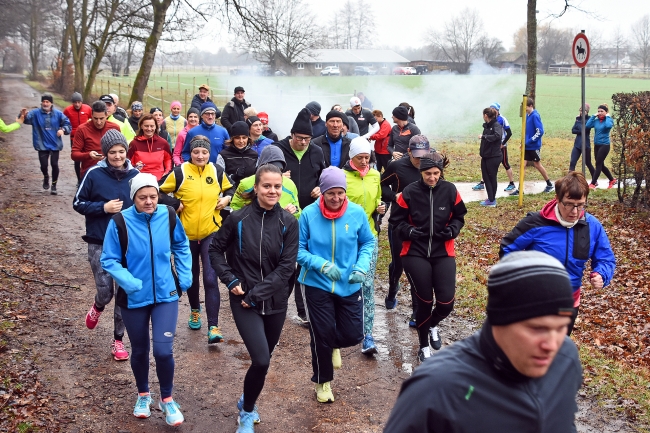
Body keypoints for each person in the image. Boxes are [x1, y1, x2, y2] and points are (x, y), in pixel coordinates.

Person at [384, 251, 582, 433]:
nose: (552, 345)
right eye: (537, 329)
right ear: (500, 318)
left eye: (561, 328)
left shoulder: (565, 359)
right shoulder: (436, 388)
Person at [209, 164, 299, 433]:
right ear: (256, 188)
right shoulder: (237, 219)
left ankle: (246, 399)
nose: (272, 191)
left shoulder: (289, 222)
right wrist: (232, 280)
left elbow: (287, 266)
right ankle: (247, 413)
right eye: (267, 186)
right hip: (243, 299)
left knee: (265, 359)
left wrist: (257, 294)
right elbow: (215, 251)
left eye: (277, 187)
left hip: (275, 300)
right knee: (260, 360)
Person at [101, 173, 191, 426]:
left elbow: (181, 246)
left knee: (163, 351)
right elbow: (109, 259)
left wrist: (184, 276)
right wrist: (129, 282)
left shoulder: (169, 215)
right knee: (140, 350)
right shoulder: (120, 222)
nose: (149, 201)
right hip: (133, 297)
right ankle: (143, 395)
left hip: (166, 294)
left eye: (153, 196)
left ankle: (167, 399)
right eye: (143, 198)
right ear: (134, 198)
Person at [500, 171, 616, 335]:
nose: (575, 211)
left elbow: (606, 258)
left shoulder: (592, 226)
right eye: (568, 204)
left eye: (580, 205)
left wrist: (601, 274)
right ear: (557, 198)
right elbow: (507, 249)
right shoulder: (535, 223)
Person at [297, 166, 375, 403]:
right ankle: (323, 382)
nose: (336, 198)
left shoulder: (357, 213)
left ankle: (334, 343)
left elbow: (368, 242)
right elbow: (297, 250)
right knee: (321, 335)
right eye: (331, 192)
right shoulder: (308, 214)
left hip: (349, 283)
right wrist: (320, 265)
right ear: (322, 191)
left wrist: (361, 266)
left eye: (340, 192)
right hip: (316, 283)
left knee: (354, 334)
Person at [389, 151, 467, 362]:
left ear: (441, 172)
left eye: (435, 173)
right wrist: (410, 231)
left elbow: (460, 216)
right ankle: (423, 346)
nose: (432, 178)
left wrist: (452, 230)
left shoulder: (450, 190)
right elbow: (396, 222)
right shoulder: (410, 192)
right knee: (424, 300)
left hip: (443, 251)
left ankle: (432, 325)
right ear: (421, 173)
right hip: (414, 252)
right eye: (427, 174)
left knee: (446, 302)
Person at [159, 135, 235, 343]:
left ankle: (214, 327)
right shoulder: (180, 172)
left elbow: (231, 188)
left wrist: (227, 197)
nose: (200, 156)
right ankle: (194, 310)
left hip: (211, 232)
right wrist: (174, 203)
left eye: (204, 152)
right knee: (191, 277)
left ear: (209, 153)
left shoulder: (217, 171)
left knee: (211, 278)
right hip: (185, 235)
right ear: (189, 153)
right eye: (196, 152)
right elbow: (157, 191)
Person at [74, 129, 139, 362]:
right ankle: (98, 305)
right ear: (105, 153)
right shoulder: (93, 173)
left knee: (124, 293)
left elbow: (146, 206)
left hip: (127, 245)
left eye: (121, 151)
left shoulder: (135, 175)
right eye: (113, 152)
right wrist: (103, 208)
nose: (118, 156)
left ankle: (118, 340)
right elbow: (78, 202)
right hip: (99, 240)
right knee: (105, 291)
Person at [276, 108, 326, 324]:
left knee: (303, 260)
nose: (304, 142)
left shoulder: (316, 151)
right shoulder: (278, 149)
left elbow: (324, 176)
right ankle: (274, 303)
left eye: (307, 139)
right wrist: (276, 175)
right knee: (282, 262)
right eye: (300, 138)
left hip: (308, 214)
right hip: (281, 215)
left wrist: (320, 188)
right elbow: (260, 174)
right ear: (291, 135)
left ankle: (303, 310)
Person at [381, 135, 431, 324]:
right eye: (417, 156)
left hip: (422, 225)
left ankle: (416, 312)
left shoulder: (431, 166)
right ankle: (393, 288)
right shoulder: (397, 166)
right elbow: (382, 185)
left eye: (424, 155)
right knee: (399, 264)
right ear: (409, 152)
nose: (420, 160)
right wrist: (395, 196)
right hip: (399, 224)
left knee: (417, 268)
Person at [342, 137, 385, 355]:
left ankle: (368, 335)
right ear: (351, 157)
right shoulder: (342, 176)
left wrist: (380, 209)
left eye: (367, 157)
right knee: (345, 281)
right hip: (345, 237)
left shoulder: (375, 175)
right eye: (360, 157)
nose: (365, 161)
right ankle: (342, 327)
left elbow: (377, 200)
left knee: (367, 285)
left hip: (369, 237)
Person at [230, 145, 300, 216]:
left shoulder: (290, 184)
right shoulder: (245, 184)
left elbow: (298, 211)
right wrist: (248, 216)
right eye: (269, 170)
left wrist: (293, 211)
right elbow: (234, 208)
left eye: (278, 170)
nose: (272, 191)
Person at [24, 93, 72, 195]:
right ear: (41, 102)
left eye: (47, 102)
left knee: (54, 164)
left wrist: (63, 130)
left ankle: (54, 185)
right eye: (44, 101)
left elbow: (68, 124)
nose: (45, 104)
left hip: (55, 144)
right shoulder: (35, 113)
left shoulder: (58, 114)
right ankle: (46, 176)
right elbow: (26, 119)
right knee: (43, 165)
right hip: (41, 144)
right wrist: (23, 114)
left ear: (51, 103)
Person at [509, 98, 553, 195]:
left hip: (534, 146)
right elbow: (526, 131)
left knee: (537, 165)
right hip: (527, 146)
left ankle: (549, 184)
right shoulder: (526, 115)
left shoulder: (535, 116)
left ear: (531, 106)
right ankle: (520, 189)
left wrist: (529, 141)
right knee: (522, 165)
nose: (524, 108)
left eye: (526, 107)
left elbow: (540, 131)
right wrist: (523, 142)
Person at [72, 101, 122, 180]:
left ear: (106, 115)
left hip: (110, 173)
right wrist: (89, 155)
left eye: (101, 118)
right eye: (95, 118)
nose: (98, 122)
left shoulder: (114, 128)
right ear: (91, 115)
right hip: (90, 174)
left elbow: (120, 149)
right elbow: (74, 155)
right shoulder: (82, 129)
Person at [473, 102, 516, 192]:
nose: (492, 110)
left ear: (497, 110)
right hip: (491, 147)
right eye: (491, 108)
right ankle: (482, 183)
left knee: (505, 163)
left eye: (494, 109)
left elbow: (509, 133)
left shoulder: (502, 119)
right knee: (486, 164)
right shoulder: (490, 119)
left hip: (501, 147)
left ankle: (511, 183)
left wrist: (503, 143)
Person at [127, 114, 172, 181]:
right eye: (146, 126)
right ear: (141, 126)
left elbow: (168, 159)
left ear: (155, 127)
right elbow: (128, 163)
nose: (149, 129)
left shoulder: (163, 143)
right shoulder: (134, 144)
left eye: (152, 126)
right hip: (140, 180)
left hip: (159, 180)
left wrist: (166, 172)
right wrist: (135, 166)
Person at [216, 121, 259, 188]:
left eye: (244, 138)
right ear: (232, 139)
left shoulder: (254, 155)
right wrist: (234, 176)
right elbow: (219, 178)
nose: (241, 141)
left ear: (248, 138)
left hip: (250, 193)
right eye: (237, 138)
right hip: (231, 193)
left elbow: (258, 177)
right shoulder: (223, 155)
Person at [63, 92, 92, 184]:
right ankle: (79, 180)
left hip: (86, 137)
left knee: (87, 158)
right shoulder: (67, 110)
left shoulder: (87, 108)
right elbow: (63, 121)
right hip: (74, 138)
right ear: (72, 102)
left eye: (79, 102)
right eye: (75, 102)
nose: (77, 104)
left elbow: (94, 119)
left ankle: (86, 179)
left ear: (81, 102)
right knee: (77, 159)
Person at [586, 103, 616, 189]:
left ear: (606, 112)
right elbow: (587, 125)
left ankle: (592, 183)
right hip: (597, 145)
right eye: (598, 111)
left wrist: (607, 117)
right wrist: (593, 116)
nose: (599, 112)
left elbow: (608, 126)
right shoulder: (596, 121)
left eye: (601, 111)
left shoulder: (609, 120)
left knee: (598, 164)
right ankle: (612, 180)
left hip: (605, 145)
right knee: (601, 165)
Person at [478, 107, 503, 207]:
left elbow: (497, 136)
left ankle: (492, 200)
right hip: (486, 156)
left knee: (491, 178)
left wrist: (484, 137)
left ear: (485, 116)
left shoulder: (496, 125)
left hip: (494, 157)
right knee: (486, 177)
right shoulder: (487, 126)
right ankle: (490, 198)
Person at [569, 104, 595, 177]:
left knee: (588, 163)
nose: (581, 112)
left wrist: (580, 129)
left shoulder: (589, 119)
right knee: (572, 162)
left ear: (587, 112)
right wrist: (580, 130)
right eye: (580, 110)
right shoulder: (578, 119)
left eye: (584, 111)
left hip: (586, 145)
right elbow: (573, 130)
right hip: (577, 144)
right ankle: (570, 179)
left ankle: (594, 179)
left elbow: (585, 129)